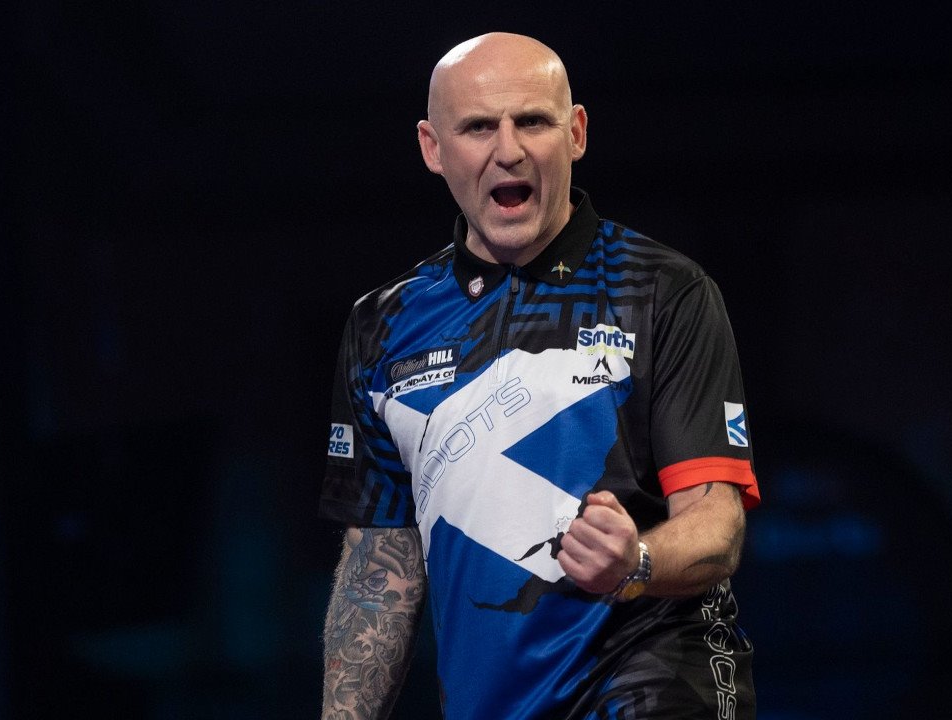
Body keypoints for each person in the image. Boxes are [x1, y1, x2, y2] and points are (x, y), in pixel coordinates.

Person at [320, 32, 760, 720]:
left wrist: (636, 561)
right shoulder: (384, 325)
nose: (509, 150)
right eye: (478, 127)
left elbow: (716, 524)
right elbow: (380, 575)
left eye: (532, 121)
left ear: (576, 132)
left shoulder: (662, 291)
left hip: (654, 689)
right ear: (433, 148)